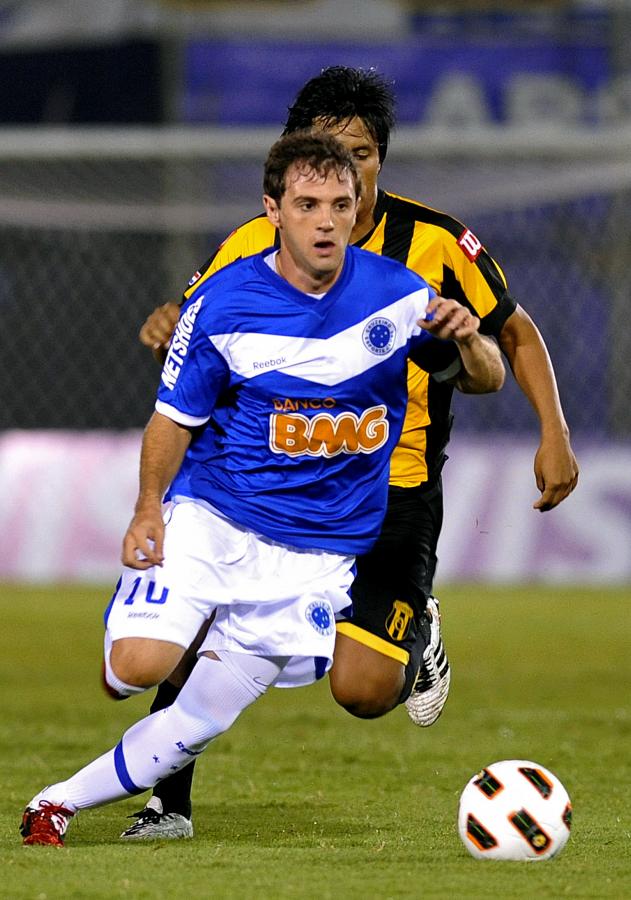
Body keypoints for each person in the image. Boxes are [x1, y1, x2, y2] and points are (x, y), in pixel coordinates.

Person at [127, 66, 579, 841]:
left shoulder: (435, 242)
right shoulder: (250, 242)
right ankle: (168, 803)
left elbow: (512, 331)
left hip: (389, 493)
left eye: (363, 154)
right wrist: (172, 322)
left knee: (364, 692)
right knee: (193, 625)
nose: (349, 170)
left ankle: (412, 630)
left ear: (381, 161)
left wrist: (554, 431)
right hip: (263, 488)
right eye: (331, 151)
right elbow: (199, 343)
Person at [20, 131, 504, 847]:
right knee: (131, 671)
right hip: (214, 518)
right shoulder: (223, 302)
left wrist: (468, 341)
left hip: (315, 554)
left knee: (206, 716)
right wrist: (147, 509)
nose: (325, 221)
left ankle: (53, 804)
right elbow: (171, 420)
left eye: (340, 204)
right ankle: (166, 627)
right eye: (307, 204)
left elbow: (485, 377)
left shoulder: (397, 296)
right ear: (272, 210)